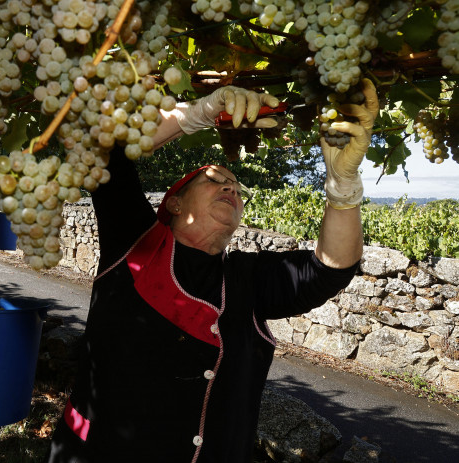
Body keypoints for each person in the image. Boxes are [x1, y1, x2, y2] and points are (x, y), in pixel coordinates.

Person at [47, 80, 379, 462]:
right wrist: (200, 112)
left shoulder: (247, 279)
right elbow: (105, 154)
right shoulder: (136, 243)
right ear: (173, 203)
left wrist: (343, 188)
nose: (230, 190)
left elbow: (331, 269)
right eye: (214, 180)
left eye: (237, 189)